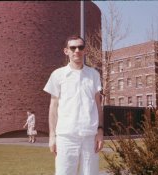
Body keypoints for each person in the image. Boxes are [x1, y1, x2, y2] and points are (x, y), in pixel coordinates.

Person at [43, 35, 104, 175]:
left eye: (80, 47)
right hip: (66, 137)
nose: (77, 50)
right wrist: (52, 136)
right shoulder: (58, 75)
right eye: (73, 47)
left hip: (90, 137)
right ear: (66, 51)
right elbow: (53, 107)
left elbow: (98, 105)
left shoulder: (94, 75)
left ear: (85, 50)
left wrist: (100, 131)